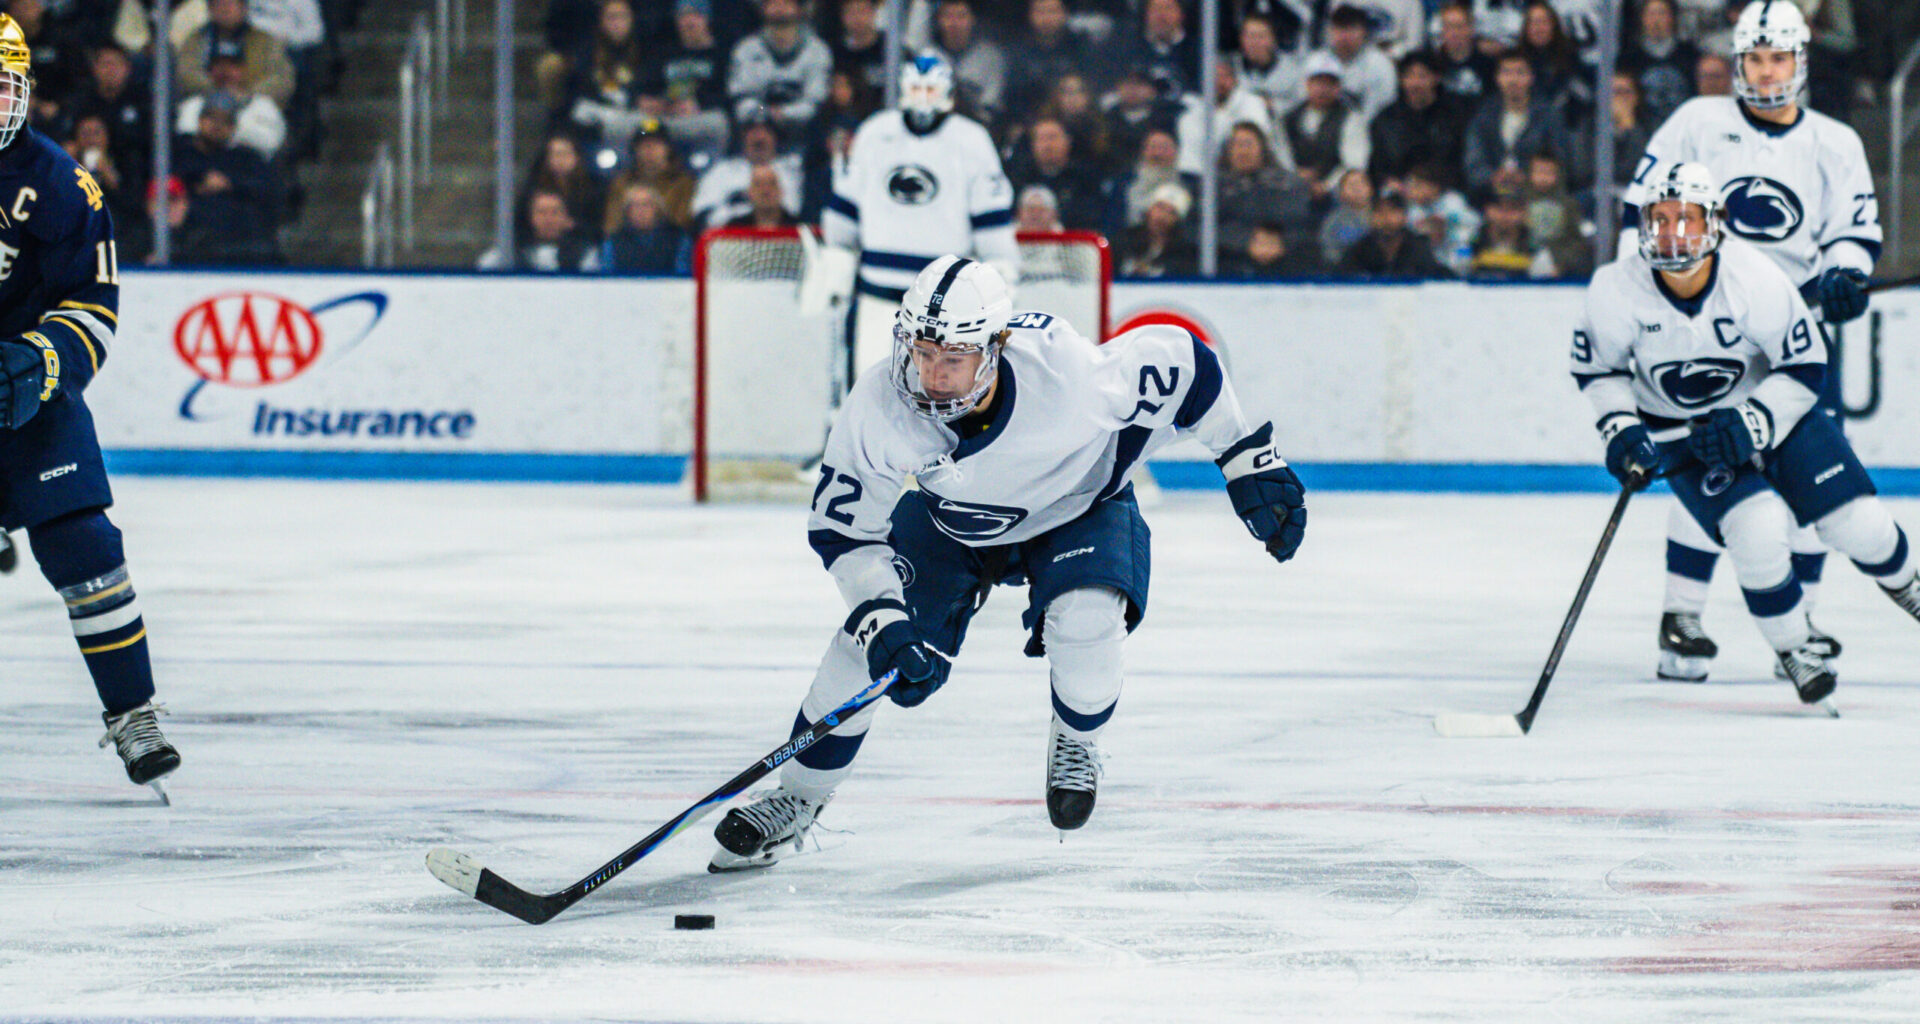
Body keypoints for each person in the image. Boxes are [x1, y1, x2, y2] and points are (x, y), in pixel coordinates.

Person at [706, 255, 1308, 870]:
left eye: (954, 357)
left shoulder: (1065, 371)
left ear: (996, 347)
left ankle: (1076, 740)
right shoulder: (880, 404)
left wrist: (1244, 457)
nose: (932, 375)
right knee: (863, 650)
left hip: (1077, 504)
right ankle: (797, 798)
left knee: (1089, 622)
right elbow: (844, 531)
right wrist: (882, 619)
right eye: (921, 351)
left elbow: (1189, 363)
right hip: (955, 520)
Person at [1573, 162, 1918, 702]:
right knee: (1755, 529)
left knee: (1859, 524)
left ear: (1715, 221)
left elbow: (1805, 366)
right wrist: (1621, 431)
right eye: (1659, 219)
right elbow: (1601, 373)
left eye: (1685, 218)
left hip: (1773, 415)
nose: (1672, 233)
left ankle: (1909, 585)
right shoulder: (1614, 289)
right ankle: (1795, 647)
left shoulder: (1753, 278)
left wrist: (1755, 420)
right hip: (1683, 434)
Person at [1617, 0, 1880, 683]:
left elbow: (1851, 231)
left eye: (1779, 58)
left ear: (1801, 62)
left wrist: (1846, 274)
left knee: (1801, 475)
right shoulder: (1695, 123)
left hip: (1790, 333)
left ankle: (1804, 625)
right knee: (1710, 465)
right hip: (1701, 325)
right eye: (1755, 58)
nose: (1766, 71)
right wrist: (1648, 292)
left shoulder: (1835, 141)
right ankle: (1684, 617)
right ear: (1736, 63)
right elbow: (1637, 217)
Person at [0, 15, 179, 794]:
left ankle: (132, 714)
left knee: (86, 549)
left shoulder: (64, 183)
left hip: (31, 401)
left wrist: (43, 361)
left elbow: (94, 302)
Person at [817, 55, 1016, 385]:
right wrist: (836, 259)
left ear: (947, 92)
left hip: (946, 306)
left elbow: (992, 221)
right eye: (917, 87)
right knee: (871, 389)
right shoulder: (875, 133)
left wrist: (1002, 273)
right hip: (877, 294)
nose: (923, 96)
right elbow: (846, 208)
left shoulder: (972, 140)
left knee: (941, 396)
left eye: (931, 88)